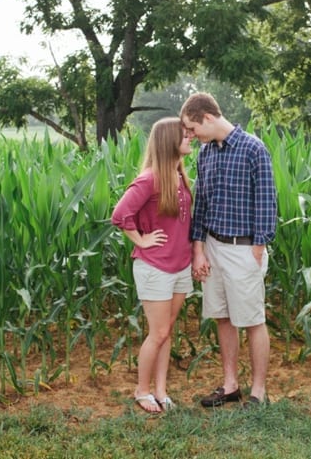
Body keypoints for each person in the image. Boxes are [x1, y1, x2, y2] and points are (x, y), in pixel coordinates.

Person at [180, 92, 277, 408]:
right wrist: (198, 249)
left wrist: (258, 249)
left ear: (207, 117)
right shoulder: (206, 153)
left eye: (193, 129)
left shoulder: (253, 149)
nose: (192, 137)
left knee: (252, 319)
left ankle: (258, 392)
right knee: (222, 316)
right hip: (212, 246)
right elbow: (202, 205)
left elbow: (266, 202)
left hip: (245, 249)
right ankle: (231, 385)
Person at [111, 117, 194, 413]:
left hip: (180, 267)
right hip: (154, 267)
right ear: (168, 140)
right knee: (157, 332)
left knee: (167, 331)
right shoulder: (150, 179)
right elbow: (120, 214)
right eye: (185, 134)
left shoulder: (179, 176)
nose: (191, 137)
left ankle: (161, 390)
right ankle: (142, 390)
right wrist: (141, 240)